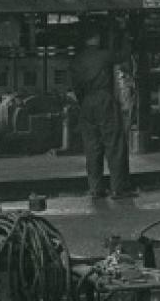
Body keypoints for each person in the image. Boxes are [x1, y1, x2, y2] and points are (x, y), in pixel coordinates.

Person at [70, 25, 132, 199]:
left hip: (86, 102)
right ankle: (118, 188)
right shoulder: (103, 55)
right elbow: (123, 55)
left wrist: (84, 102)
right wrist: (126, 36)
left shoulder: (77, 59)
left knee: (92, 146)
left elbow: (75, 87)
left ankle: (95, 188)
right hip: (104, 99)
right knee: (114, 144)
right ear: (96, 38)